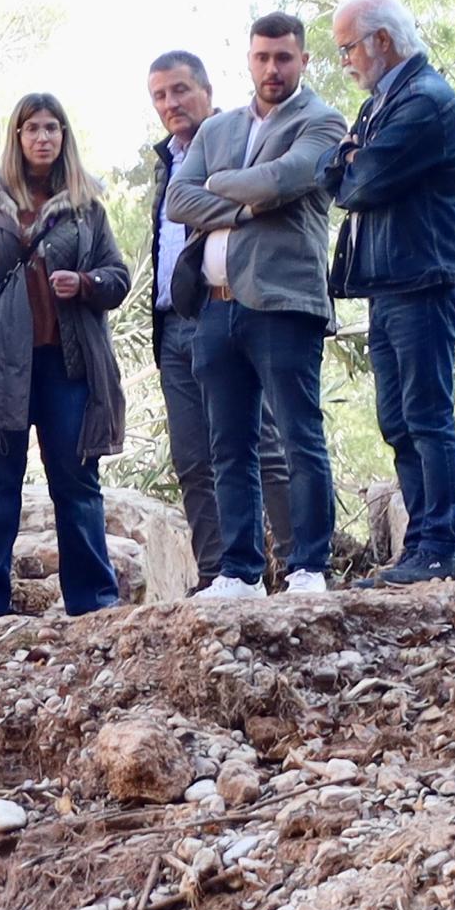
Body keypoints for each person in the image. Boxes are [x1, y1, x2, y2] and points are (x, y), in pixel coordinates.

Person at [0, 93, 132, 619]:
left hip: (69, 365)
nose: (43, 137)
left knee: (77, 483)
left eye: (52, 128)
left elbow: (118, 277)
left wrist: (85, 282)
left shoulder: (87, 205)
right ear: (17, 137)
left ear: (65, 136)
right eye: (32, 128)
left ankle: (93, 601)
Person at [165, 11, 349, 595]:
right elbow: (177, 198)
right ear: (248, 59)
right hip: (215, 306)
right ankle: (239, 572)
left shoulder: (322, 121)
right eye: (263, 57)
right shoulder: (218, 130)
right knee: (229, 445)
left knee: (298, 437)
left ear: (303, 60)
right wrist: (244, 204)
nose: (273, 68)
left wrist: (219, 185)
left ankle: (308, 566)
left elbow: (283, 180)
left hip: (283, 301)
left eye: (284, 58)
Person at [327, 0, 455, 584]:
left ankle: (440, 547)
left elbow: (358, 183)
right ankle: (420, 549)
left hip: (423, 279)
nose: (346, 62)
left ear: (380, 41)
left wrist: (351, 163)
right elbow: (341, 171)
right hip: (388, 283)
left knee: (426, 413)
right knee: (397, 417)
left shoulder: (425, 102)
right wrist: (348, 161)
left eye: (347, 49)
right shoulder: (382, 105)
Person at [138, 47, 279, 572]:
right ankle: (219, 572)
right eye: (160, 95)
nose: (171, 103)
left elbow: (264, 209)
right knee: (194, 459)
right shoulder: (166, 162)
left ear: (206, 91)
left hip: (232, 308)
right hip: (173, 321)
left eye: (180, 90)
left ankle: (297, 565)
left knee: (262, 447)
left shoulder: (243, 141)